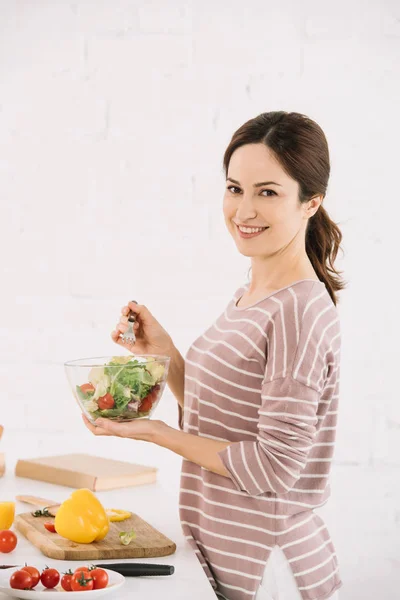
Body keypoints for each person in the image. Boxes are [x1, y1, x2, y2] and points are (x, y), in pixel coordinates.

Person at [83, 111, 345, 600]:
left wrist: (158, 434)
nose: (244, 210)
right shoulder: (253, 291)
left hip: (267, 568)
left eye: (267, 192)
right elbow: (228, 419)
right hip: (225, 558)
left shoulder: (299, 310)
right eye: (234, 188)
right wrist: (165, 355)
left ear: (311, 202)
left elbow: (273, 467)